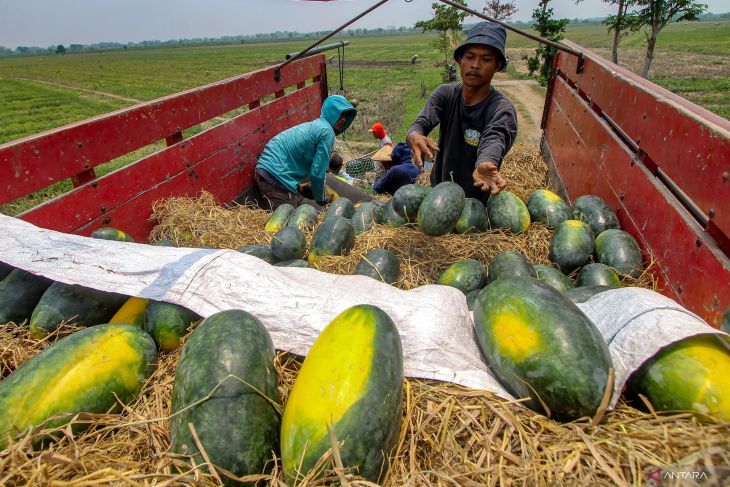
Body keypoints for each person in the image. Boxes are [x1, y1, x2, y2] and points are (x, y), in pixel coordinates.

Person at [406, 22, 518, 202]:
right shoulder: (445, 94)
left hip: (474, 205)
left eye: (486, 59)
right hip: (439, 195)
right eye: (470, 56)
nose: (475, 65)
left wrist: (485, 162)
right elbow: (421, 122)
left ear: (498, 65)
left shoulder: (501, 109)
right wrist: (414, 136)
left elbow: (495, 139)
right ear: (460, 60)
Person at [254, 95, 356, 210]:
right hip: (275, 174)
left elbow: (304, 161)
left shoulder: (318, 125)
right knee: (288, 219)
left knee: (294, 208)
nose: (343, 119)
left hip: (268, 168)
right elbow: (317, 173)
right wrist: (321, 198)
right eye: (340, 114)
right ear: (331, 112)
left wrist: (301, 188)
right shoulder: (327, 133)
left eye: (346, 116)